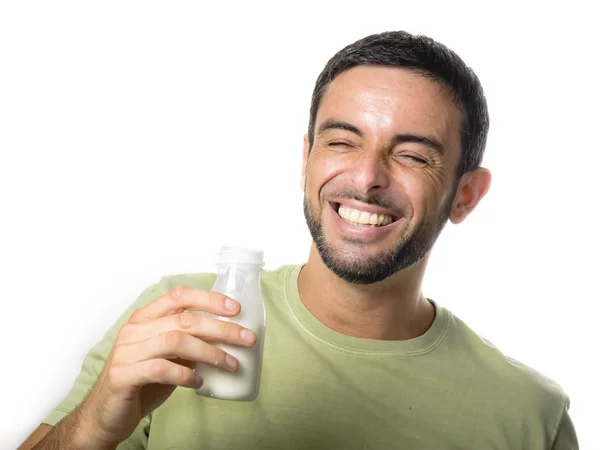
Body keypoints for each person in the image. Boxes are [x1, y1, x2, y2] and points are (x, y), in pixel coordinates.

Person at [21, 30, 578, 450]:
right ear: (306, 158)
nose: (366, 178)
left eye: (411, 155)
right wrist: (93, 425)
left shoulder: (531, 416)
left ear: (465, 196)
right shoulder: (177, 320)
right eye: (342, 141)